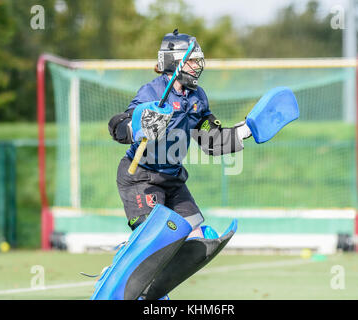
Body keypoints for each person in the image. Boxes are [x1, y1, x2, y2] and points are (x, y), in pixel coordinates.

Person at [92, 29, 250, 300]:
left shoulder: (198, 97)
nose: (197, 66)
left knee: (199, 236)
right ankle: (120, 265)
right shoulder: (152, 91)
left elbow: (210, 141)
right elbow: (117, 124)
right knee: (155, 239)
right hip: (141, 177)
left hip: (173, 180)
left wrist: (247, 130)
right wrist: (137, 127)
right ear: (174, 62)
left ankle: (152, 290)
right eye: (191, 60)